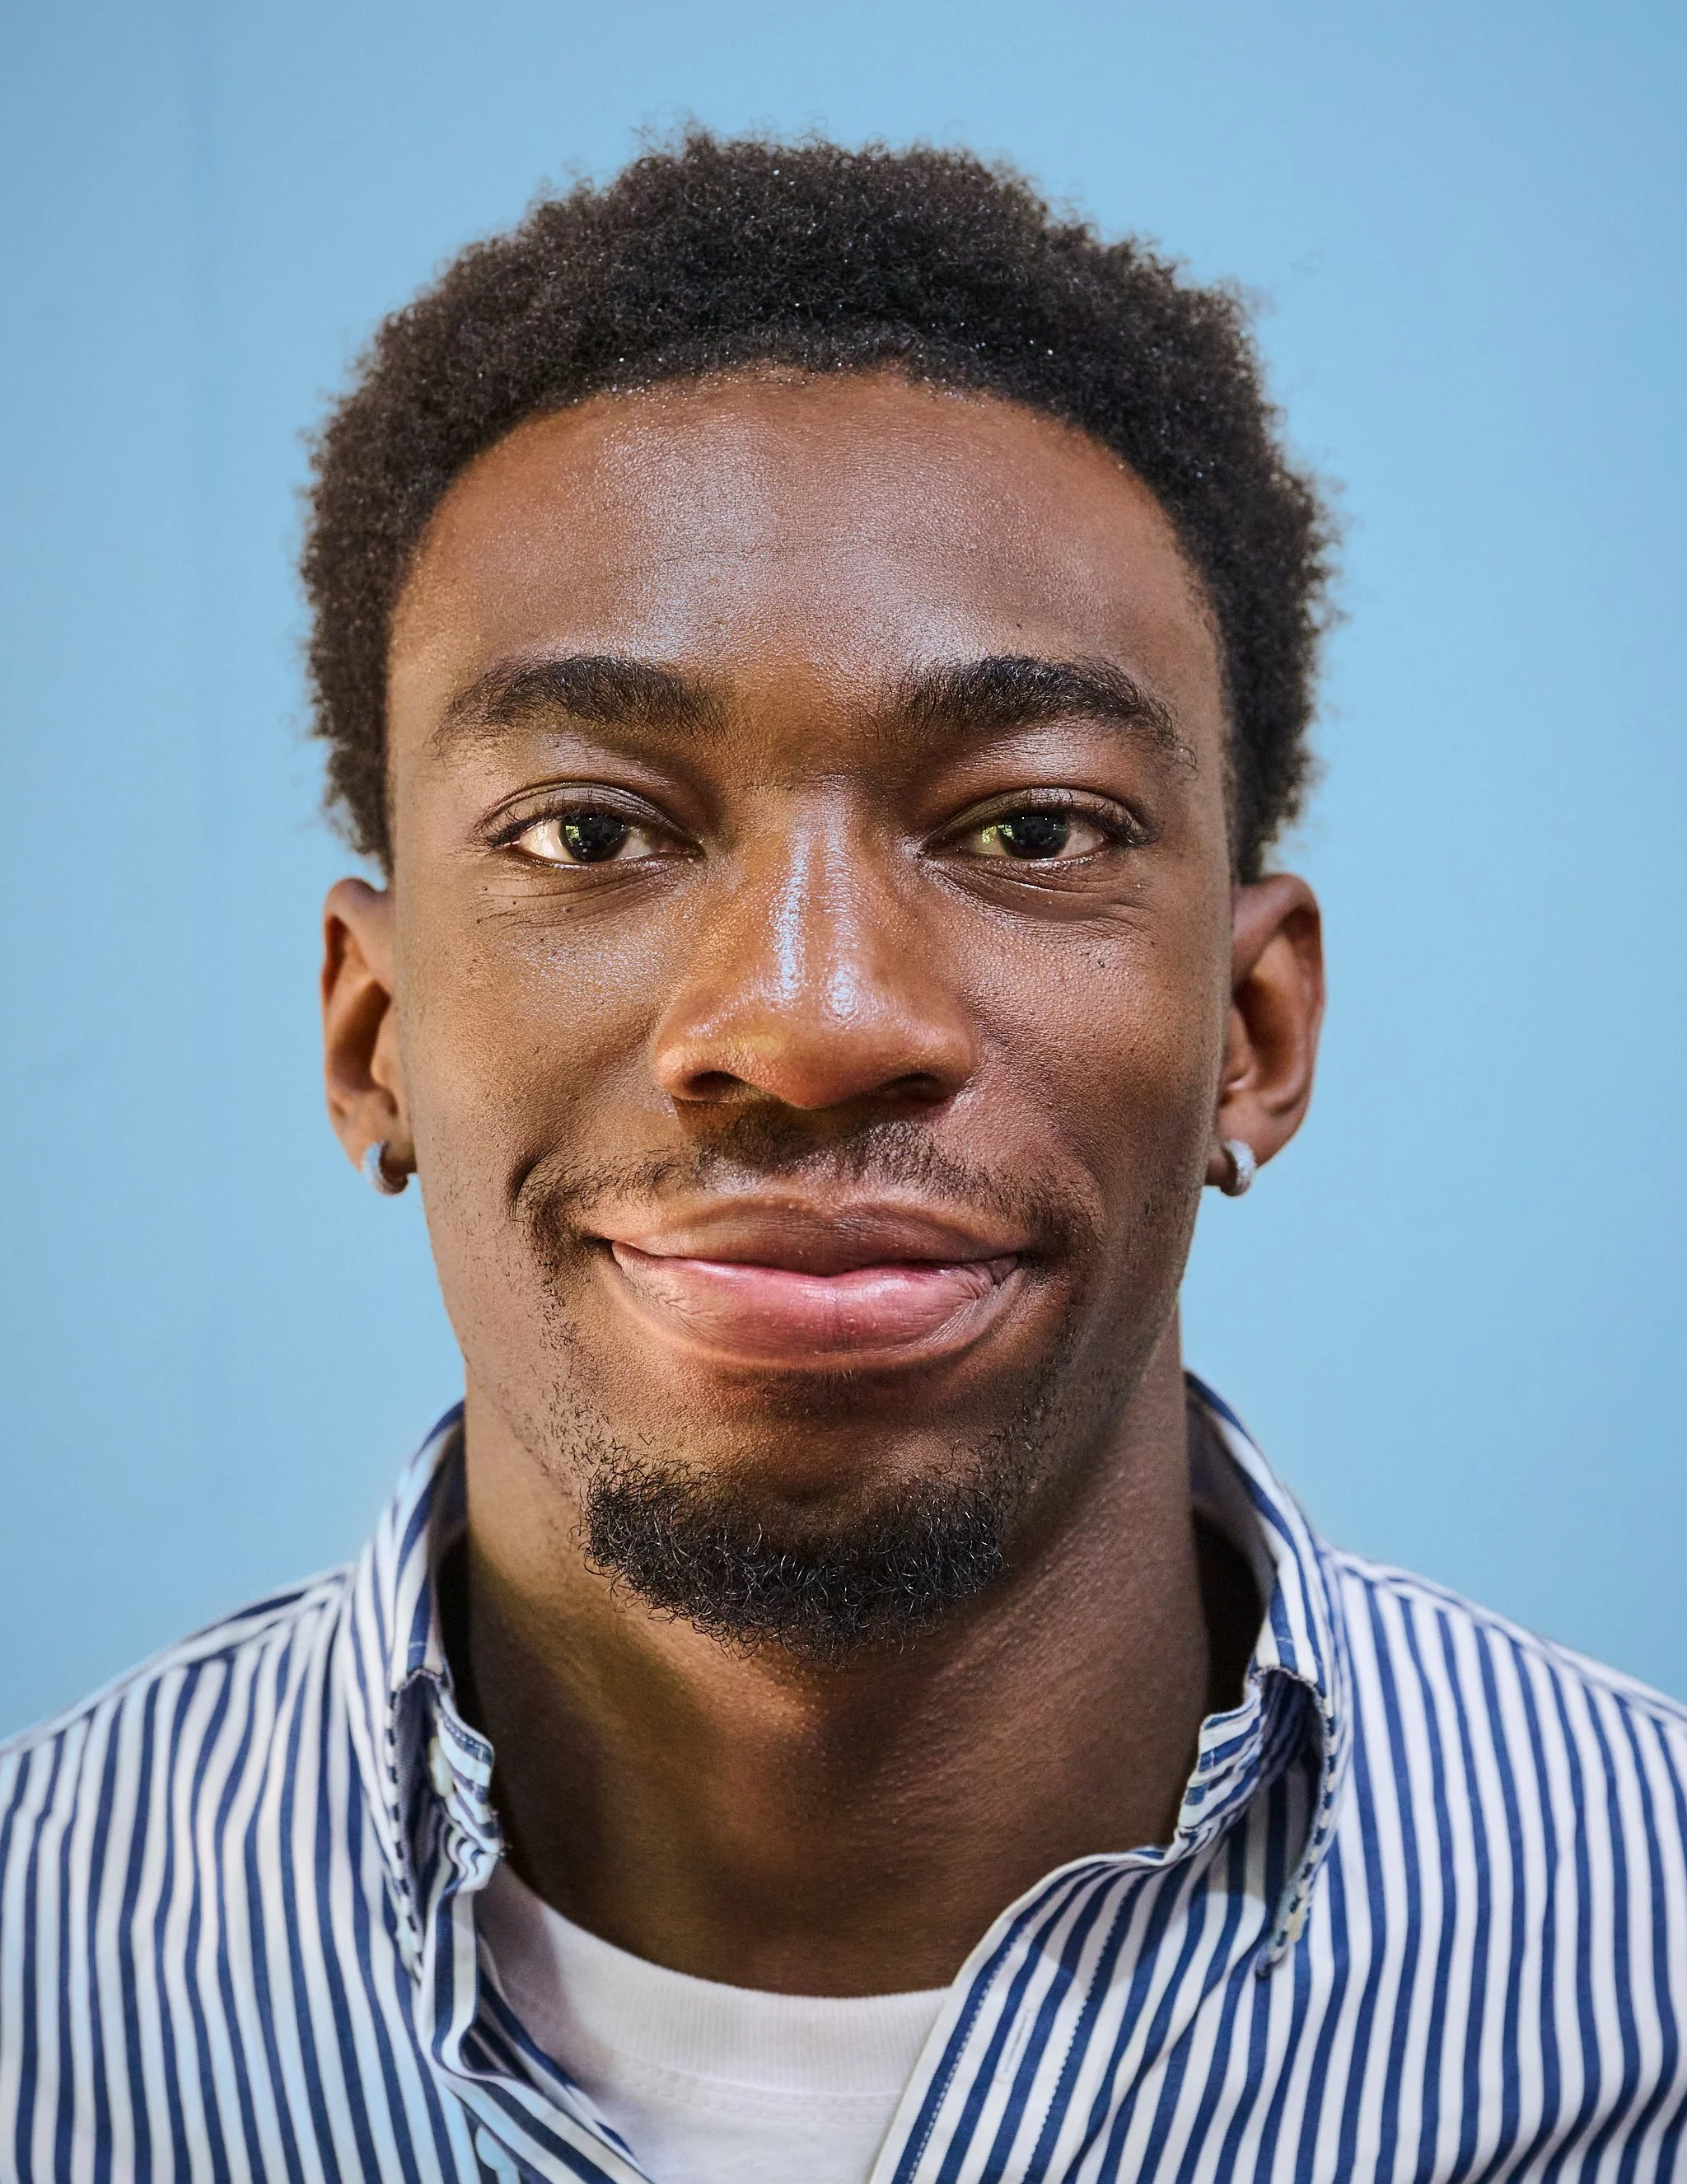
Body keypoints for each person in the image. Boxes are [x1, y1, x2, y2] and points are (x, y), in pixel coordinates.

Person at [2, 133, 1683, 2184]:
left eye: (1028, 829)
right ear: (372, 1037)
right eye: (594, 832)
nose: (805, 1021)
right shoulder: (36, 1986)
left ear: (1254, 1031)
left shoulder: (1654, 1975)